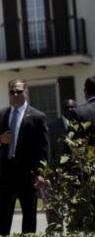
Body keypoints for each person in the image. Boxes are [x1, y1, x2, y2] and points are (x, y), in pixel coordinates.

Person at [0, 79, 48, 237]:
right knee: (1, 216)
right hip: (4, 172)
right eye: (12, 91)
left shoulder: (37, 116)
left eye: (19, 91)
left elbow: (44, 148)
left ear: (26, 93)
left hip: (27, 175)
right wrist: (0, 139)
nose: (15, 94)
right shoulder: (1, 114)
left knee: (29, 215)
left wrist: (41, 173)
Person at [43, 98, 76, 228]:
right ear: (62, 109)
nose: (70, 110)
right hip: (57, 174)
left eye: (72, 107)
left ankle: (76, 232)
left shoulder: (80, 123)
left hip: (75, 174)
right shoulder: (53, 126)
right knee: (56, 207)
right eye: (67, 107)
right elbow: (49, 150)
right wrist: (51, 173)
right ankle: (56, 234)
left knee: (75, 206)